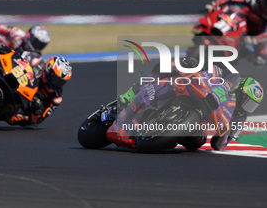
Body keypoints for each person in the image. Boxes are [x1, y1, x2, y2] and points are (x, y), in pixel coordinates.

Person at [109, 57, 263, 150]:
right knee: (165, 70)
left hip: (199, 119)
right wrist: (194, 65)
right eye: (246, 100)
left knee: (198, 141)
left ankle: (165, 136)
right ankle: (128, 97)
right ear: (239, 89)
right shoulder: (228, 80)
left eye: (251, 105)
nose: (246, 107)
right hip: (194, 90)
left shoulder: (239, 119)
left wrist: (225, 133)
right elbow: (213, 70)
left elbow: (219, 144)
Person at [205, 0, 267, 66]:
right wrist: (213, 5)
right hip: (241, 22)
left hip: (255, 34)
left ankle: (243, 55)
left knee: (260, 59)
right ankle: (214, 31)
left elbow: (265, 34)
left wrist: (253, 39)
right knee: (234, 12)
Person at [8, 55, 72, 126]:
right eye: (55, 78)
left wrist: (37, 110)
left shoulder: (56, 97)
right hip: (18, 83)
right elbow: (20, 56)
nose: (56, 83)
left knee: (13, 119)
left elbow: (39, 119)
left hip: (23, 107)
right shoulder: (37, 65)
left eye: (61, 82)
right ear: (49, 69)